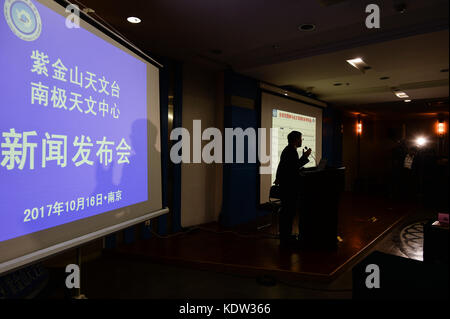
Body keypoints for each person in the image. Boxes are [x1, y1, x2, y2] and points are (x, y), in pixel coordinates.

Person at [274, 130, 312, 247]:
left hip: (287, 187)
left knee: (288, 213)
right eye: (300, 139)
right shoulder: (290, 151)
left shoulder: (288, 150)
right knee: (288, 213)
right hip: (289, 188)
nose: (301, 141)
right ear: (296, 140)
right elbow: (293, 168)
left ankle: (286, 236)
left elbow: (285, 167)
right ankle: (286, 238)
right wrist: (305, 157)